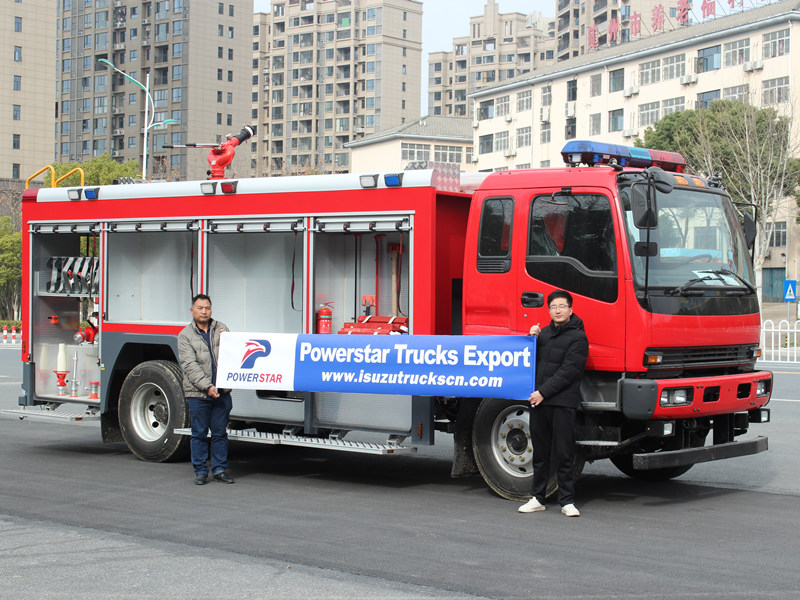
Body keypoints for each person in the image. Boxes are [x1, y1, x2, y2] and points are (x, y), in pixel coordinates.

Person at [518, 290, 588, 517]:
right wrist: (531, 339)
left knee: (563, 452)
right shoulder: (544, 334)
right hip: (540, 401)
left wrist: (542, 393)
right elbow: (530, 362)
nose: (558, 310)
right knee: (540, 453)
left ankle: (567, 501)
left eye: (562, 306)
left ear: (571, 309)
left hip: (562, 403)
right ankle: (537, 498)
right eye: (553, 307)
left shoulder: (579, 337)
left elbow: (569, 371)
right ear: (549, 311)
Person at [177, 294, 235, 485]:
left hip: (222, 392)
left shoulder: (221, 328)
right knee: (199, 434)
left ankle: (219, 470)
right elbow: (190, 366)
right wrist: (207, 387)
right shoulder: (185, 335)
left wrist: (227, 340)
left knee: (220, 433)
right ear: (192, 310)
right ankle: (201, 471)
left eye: (207, 308)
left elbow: (233, 354)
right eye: (200, 308)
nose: (204, 311)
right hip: (199, 393)